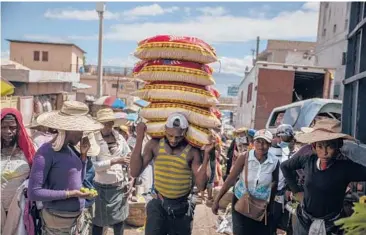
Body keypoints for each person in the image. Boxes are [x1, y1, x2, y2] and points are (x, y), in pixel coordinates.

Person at [27, 101, 104, 235]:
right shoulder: (46, 152)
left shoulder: (70, 149)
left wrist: (84, 157)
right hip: (56, 223)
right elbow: (33, 192)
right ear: (69, 128)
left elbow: (78, 181)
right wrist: (70, 194)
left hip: (76, 221)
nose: (82, 135)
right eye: (80, 131)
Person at [130, 113, 213, 235]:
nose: (174, 140)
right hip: (158, 204)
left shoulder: (192, 152)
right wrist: (139, 139)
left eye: (178, 137)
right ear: (165, 129)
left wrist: (206, 156)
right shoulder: (155, 145)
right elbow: (134, 172)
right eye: (170, 135)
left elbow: (201, 186)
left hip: (182, 208)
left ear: (185, 132)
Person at [280, 119, 366, 235]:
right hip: (304, 222)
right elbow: (285, 166)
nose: (324, 152)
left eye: (329, 146)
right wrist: (296, 192)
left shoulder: (345, 168)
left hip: (332, 226)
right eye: (320, 146)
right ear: (314, 147)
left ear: (337, 146)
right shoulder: (308, 160)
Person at [212, 129, 280, 235]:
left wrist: (270, 207)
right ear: (253, 143)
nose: (261, 146)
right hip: (241, 202)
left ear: (270, 145)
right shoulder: (245, 157)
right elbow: (231, 179)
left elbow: (274, 184)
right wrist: (217, 200)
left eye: (265, 143)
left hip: (260, 206)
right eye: (258, 141)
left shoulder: (274, 162)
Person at [92, 108, 131, 235]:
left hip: (119, 186)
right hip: (101, 188)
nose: (108, 126)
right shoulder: (93, 139)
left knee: (119, 222)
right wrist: (115, 161)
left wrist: (130, 179)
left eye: (110, 123)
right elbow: (95, 166)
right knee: (98, 222)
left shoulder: (119, 138)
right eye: (105, 123)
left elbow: (128, 156)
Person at [1, 108, 36, 233]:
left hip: (20, 206)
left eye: (12, 127)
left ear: (19, 128)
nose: (8, 131)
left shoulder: (27, 151)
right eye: (3, 127)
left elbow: (36, 175)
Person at [269, 124, 296, 235]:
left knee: (281, 222)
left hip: (283, 193)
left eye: (288, 139)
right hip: (269, 192)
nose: (285, 141)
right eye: (284, 138)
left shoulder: (290, 152)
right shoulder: (268, 151)